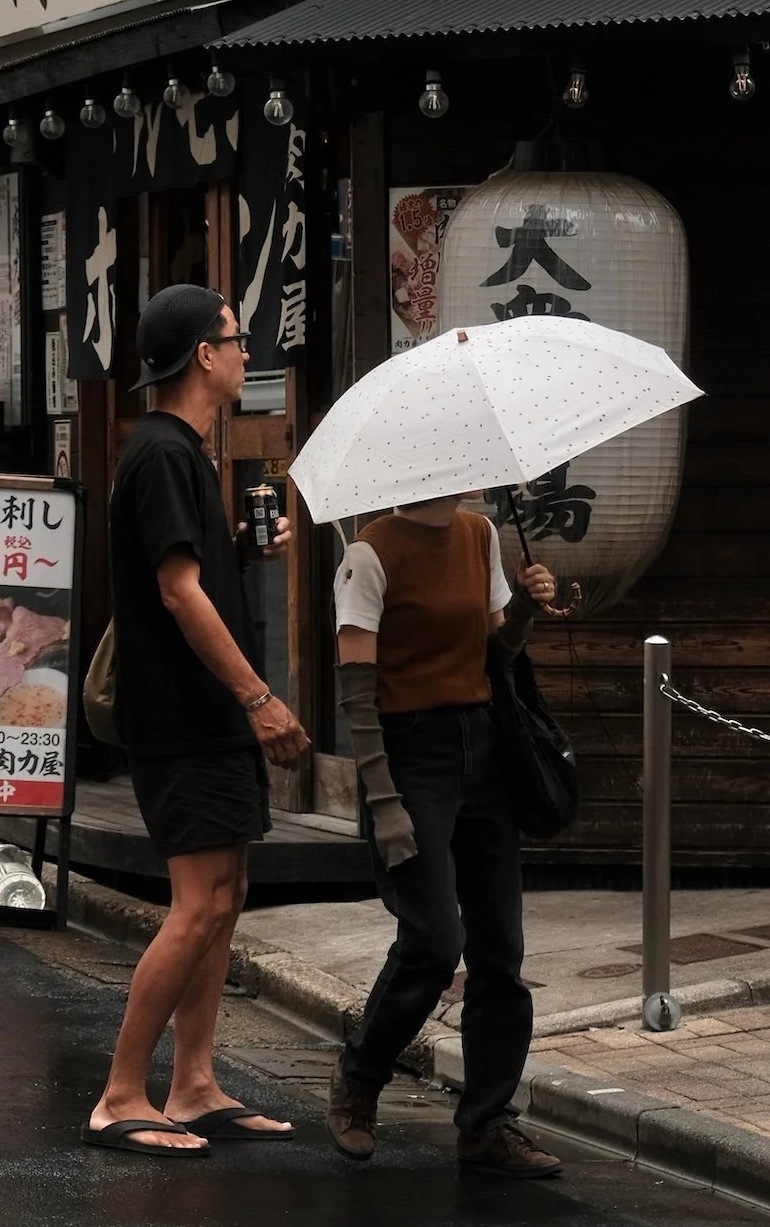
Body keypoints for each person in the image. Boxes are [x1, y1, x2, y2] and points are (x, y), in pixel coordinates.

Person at [84, 284, 312, 1159]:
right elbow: (176, 593)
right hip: (183, 715)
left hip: (202, 714)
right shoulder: (162, 456)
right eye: (235, 338)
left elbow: (188, 572)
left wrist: (246, 548)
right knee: (196, 904)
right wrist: (260, 697)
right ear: (203, 358)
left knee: (227, 897)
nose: (247, 351)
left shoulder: (184, 455)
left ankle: (194, 1083)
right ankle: (119, 1093)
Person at [326, 491, 563, 1176]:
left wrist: (524, 605)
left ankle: (487, 1123)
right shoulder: (369, 555)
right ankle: (360, 1075)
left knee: (500, 949)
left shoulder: (479, 534)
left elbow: (495, 653)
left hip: (484, 747)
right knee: (433, 942)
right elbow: (356, 693)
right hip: (408, 756)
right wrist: (383, 799)